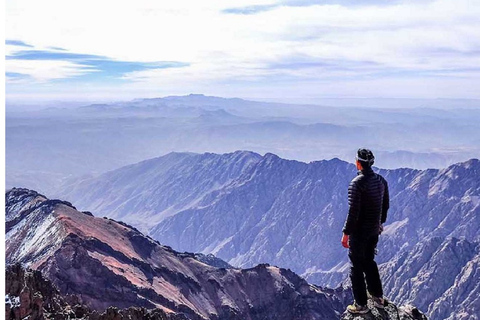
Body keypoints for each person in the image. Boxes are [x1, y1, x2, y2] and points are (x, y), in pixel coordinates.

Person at [341, 148, 389, 314]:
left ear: (358, 163)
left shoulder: (356, 184)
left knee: (356, 266)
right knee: (369, 261)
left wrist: (346, 233)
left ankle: (361, 305)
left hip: (359, 232)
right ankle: (378, 298)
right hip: (374, 231)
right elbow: (385, 205)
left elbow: (353, 212)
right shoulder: (381, 181)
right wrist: (380, 223)